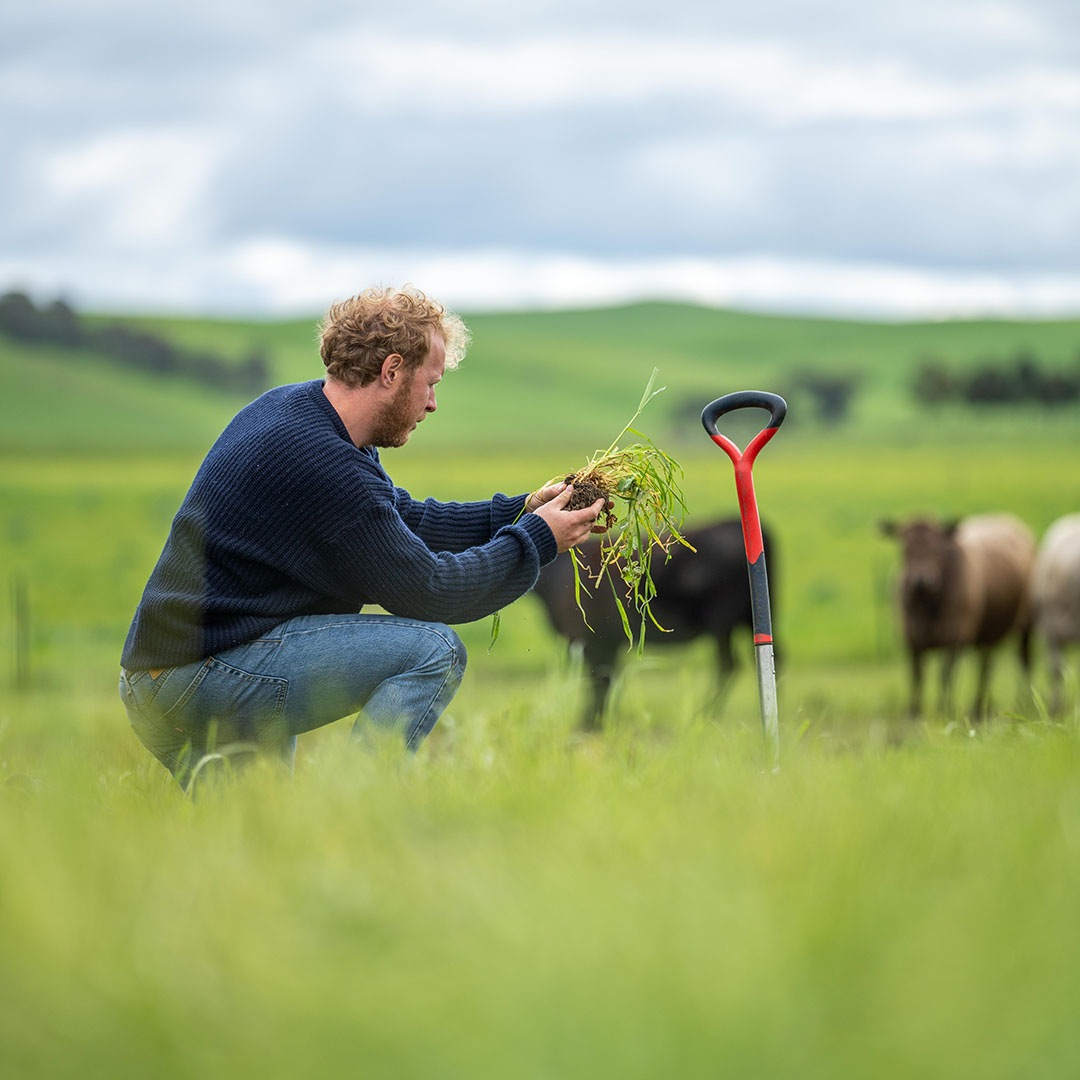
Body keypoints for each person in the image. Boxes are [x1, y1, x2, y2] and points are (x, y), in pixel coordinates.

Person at [119, 286, 607, 789]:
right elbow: (432, 592)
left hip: (173, 674)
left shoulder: (303, 415)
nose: (434, 404)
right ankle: (354, 806)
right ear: (392, 371)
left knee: (256, 841)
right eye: (430, 383)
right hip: (199, 676)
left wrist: (521, 510)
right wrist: (538, 539)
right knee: (433, 650)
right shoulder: (324, 464)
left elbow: (401, 522)